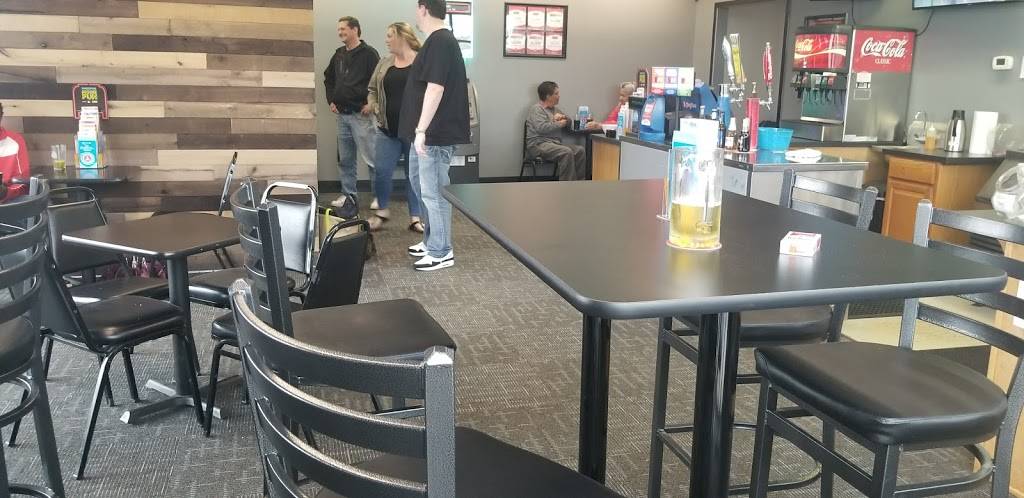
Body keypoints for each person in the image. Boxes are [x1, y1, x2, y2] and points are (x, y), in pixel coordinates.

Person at [399, 0, 470, 272]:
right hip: (426, 134)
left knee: (435, 193)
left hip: (434, 135)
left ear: (423, 8)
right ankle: (431, 240)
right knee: (421, 188)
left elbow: (435, 88)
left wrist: (421, 130)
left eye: (417, 9)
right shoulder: (436, 41)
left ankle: (441, 251)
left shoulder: (441, 41)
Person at [366, 22, 425, 233]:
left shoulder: (422, 62)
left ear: (402, 37)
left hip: (413, 132)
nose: (386, 40)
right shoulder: (384, 63)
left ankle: (416, 217)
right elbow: (372, 89)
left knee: (414, 176)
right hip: (387, 130)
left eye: (390, 35)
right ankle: (381, 211)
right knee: (381, 171)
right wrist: (374, 105)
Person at [324, 16, 380, 218]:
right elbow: (328, 79)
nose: (340, 32)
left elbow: (379, 81)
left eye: (343, 29)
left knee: (372, 158)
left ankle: (379, 197)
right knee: (346, 160)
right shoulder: (338, 54)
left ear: (355, 30)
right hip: (342, 116)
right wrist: (331, 100)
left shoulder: (369, 54)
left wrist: (371, 103)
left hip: (361, 116)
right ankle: (349, 196)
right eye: (339, 29)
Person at [524, 81, 593, 182]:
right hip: (538, 144)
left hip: (554, 144)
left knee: (580, 150)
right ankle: (567, 186)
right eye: (556, 93)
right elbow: (541, 128)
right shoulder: (537, 109)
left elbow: (569, 124)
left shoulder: (555, 109)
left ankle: (579, 183)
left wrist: (565, 118)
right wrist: (559, 123)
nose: (559, 96)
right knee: (566, 152)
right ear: (548, 96)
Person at [0, 102, 29, 201]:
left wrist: (5, 192)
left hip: (9, 203)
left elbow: (23, 183)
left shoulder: (15, 141)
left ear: (1, 116)